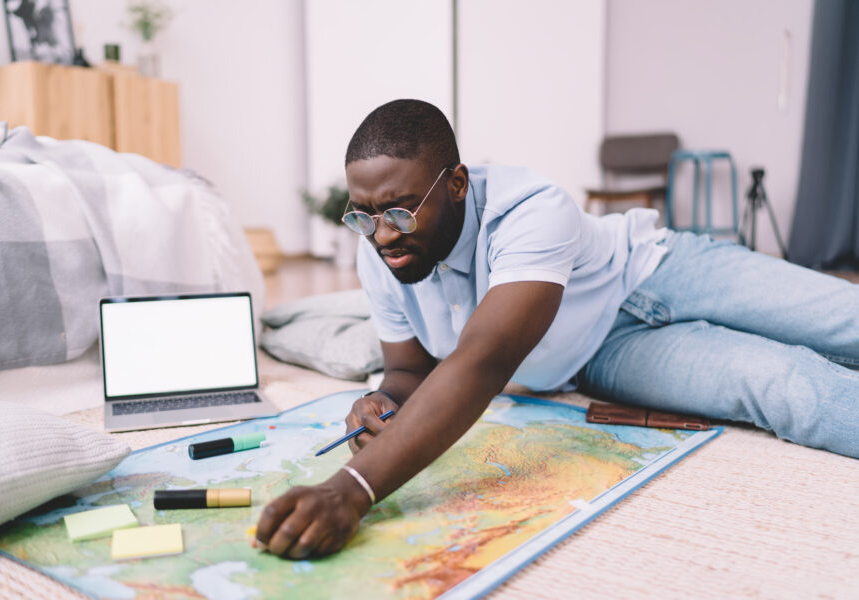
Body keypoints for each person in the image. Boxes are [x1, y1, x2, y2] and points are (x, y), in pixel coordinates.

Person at [254, 99, 859, 559]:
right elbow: (412, 370)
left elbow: (482, 362)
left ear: (458, 184)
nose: (383, 235)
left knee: (846, 321)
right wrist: (383, 401)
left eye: (401, 211)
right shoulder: (379, 251)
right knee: (790, 385)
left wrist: (354, 488)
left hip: (658, 272)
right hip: (600, 353)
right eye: (364, 216)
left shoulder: (532, 209)